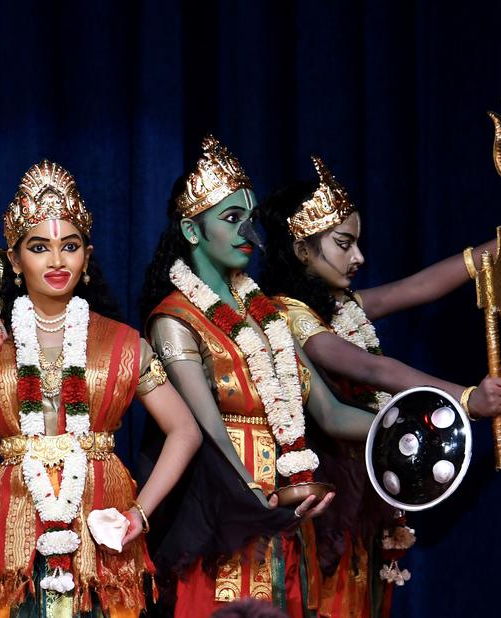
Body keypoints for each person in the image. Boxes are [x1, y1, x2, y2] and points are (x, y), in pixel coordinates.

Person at [0, 160, 202, 617]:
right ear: (14, 259)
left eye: (69, 246)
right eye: (39, 247)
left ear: (86, 254)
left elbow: (185, 430)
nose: (56, 260)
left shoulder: (122, 342)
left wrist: (140, 514)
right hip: (16, 515)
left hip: (100, 514)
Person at [255, 155, 501, 616]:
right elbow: (371, 369)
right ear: (301, 250)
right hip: (321, 497)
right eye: (344, 244)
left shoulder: (340, 305)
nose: (359, 257)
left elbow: (419, 286)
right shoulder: (283, 314)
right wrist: (465, 399)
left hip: (361, 491)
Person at [137, 136, 378, 618]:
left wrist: (402, 426)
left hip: (287, 510)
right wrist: (258, 500)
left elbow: (328, 414)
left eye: (248, 216)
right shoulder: (175, 319)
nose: (248, 229)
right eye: (230, 218)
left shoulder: (265, 312)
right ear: (191, 229)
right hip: (227, 510)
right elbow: (206, 428)